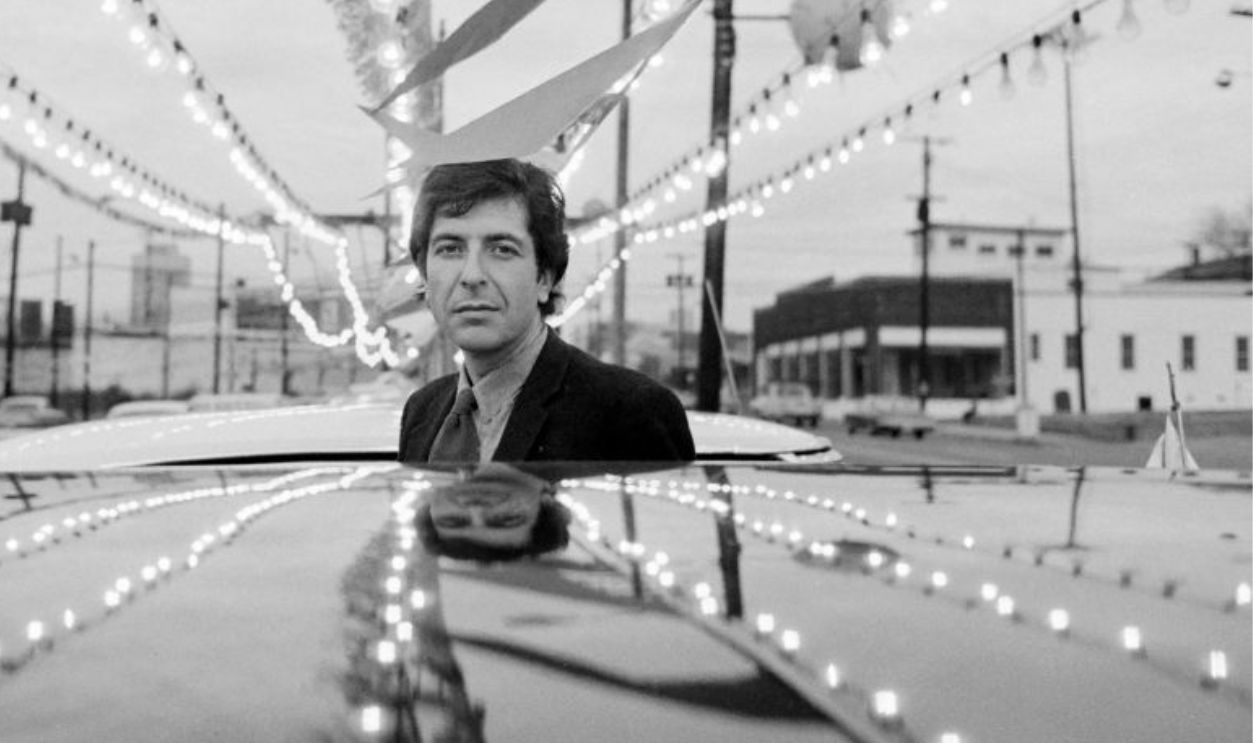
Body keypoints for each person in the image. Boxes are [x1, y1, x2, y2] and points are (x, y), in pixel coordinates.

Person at [397, 158, 695, 464]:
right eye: (450, 248)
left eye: (502, 249)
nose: (472, 275)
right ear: (424, 276)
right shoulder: (422, 411)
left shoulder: (630, 413)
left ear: (545, 278)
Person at [414, 463, 571, 562]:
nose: (475, 509)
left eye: (453, 520)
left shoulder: (424, 461)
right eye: (505, 519)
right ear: (547, 504)